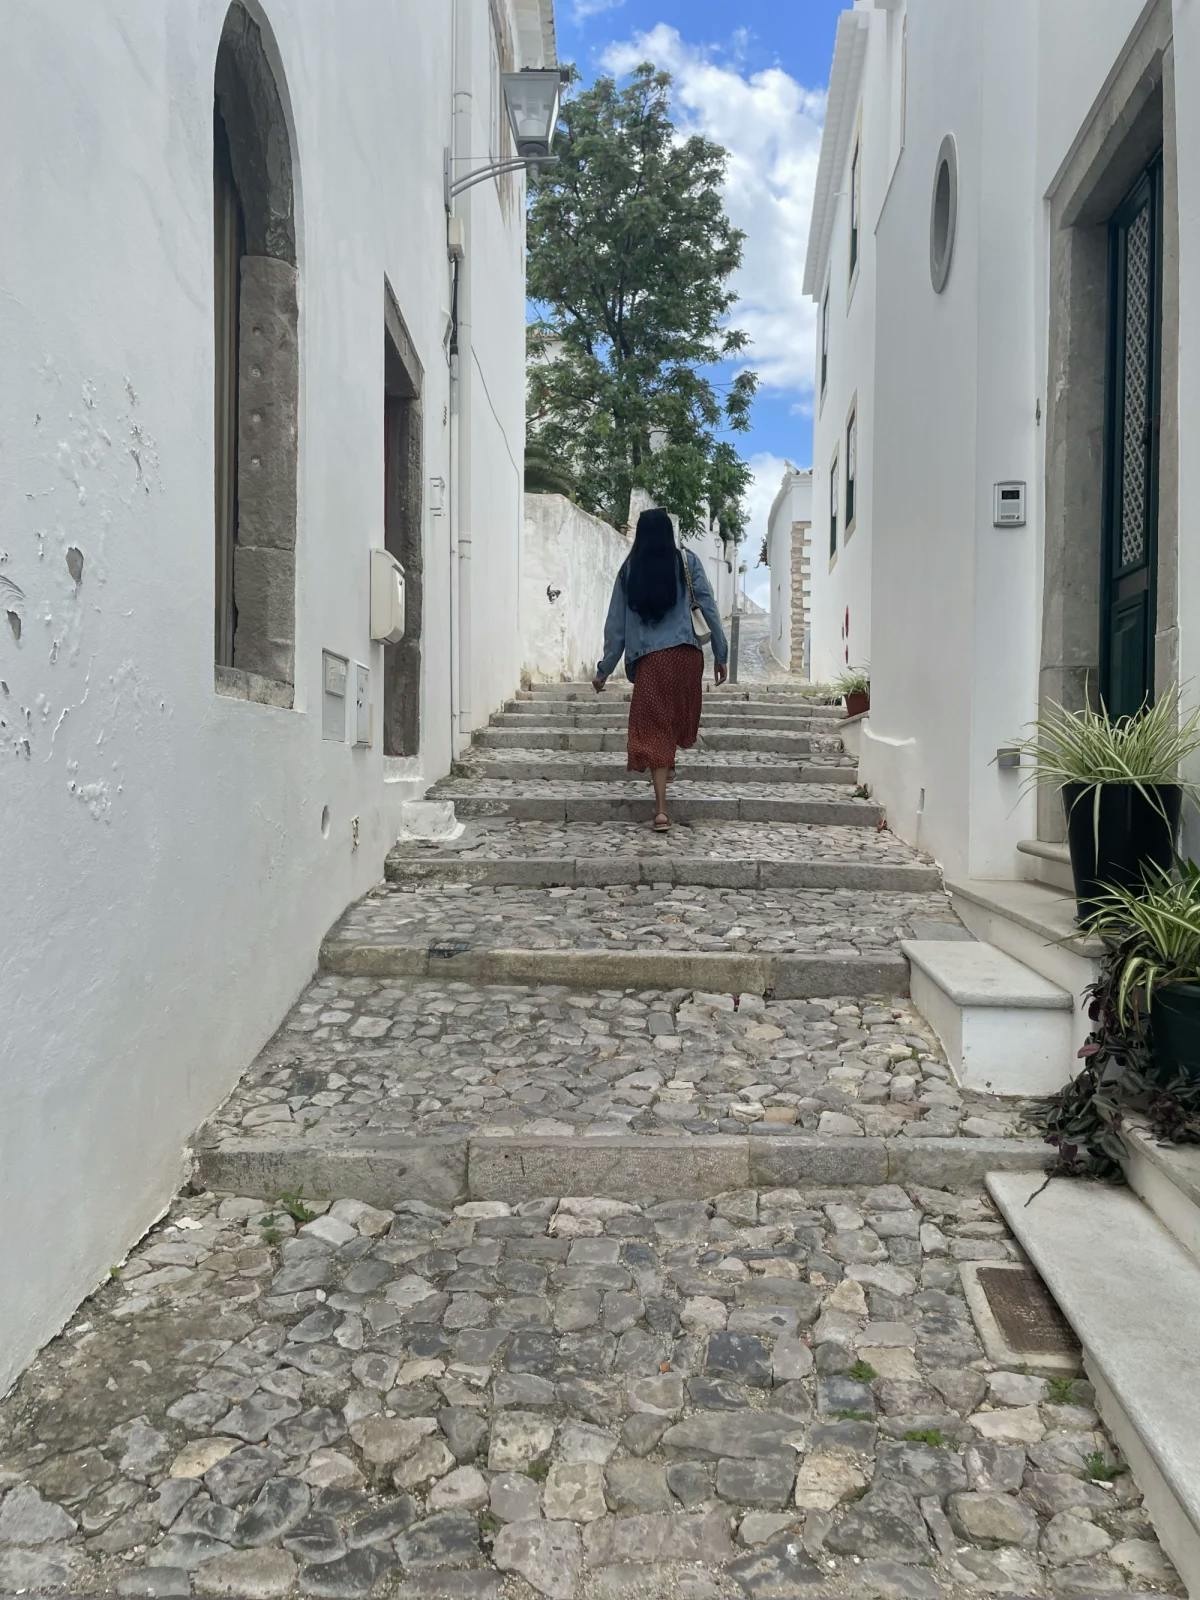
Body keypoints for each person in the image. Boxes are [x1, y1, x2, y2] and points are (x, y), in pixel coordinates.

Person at [592, 508, 729, 831]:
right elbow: (708, 605)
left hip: (652, 660)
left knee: (655, 731)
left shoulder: (630, 569)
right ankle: (666, 765)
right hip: (686, 657)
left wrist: (604, 670)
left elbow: (616, 627)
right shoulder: (686, 561)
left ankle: (662, 810)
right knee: (671, 722)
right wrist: (721, 654)